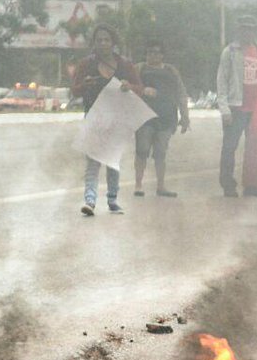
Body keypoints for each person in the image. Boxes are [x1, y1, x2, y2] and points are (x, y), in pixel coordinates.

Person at [71, 24, 141, 216]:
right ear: (94, 43)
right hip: (94, 119)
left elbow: (139, 88)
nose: (103, 43)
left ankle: (112, 199)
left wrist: (130, 87)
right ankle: (90, 201)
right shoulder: (86, 64)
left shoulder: (125, 65)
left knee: (112, 161)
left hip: (118, 120)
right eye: (99, 40)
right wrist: (84, 85)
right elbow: (74, 90)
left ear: (113, 42)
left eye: (106, 40)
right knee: (93, 162)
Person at [134, 40, 190, 198]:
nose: (153, 55)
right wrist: (143, 90)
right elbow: (128, 87)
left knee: (160, 152)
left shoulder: (172, 71)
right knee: (142, 150)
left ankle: (161, 186)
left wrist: (185, 116)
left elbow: (181, 93)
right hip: (144, 117)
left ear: (163, 55)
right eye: (150, 52)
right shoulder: (139, 69)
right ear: (146, 54)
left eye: (157, 52)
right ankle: (138, 184)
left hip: (167, 117)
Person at [217, 14, 257, 199]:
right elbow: (222, 81)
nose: (247, 32)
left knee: (254, 149)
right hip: (236, 107)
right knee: (229, 148)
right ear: (239, 30)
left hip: (255, 108)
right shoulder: (230, 52)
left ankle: (251, 185)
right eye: (244, 28)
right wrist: (224, 109)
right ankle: (228, 184)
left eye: (250, 28)